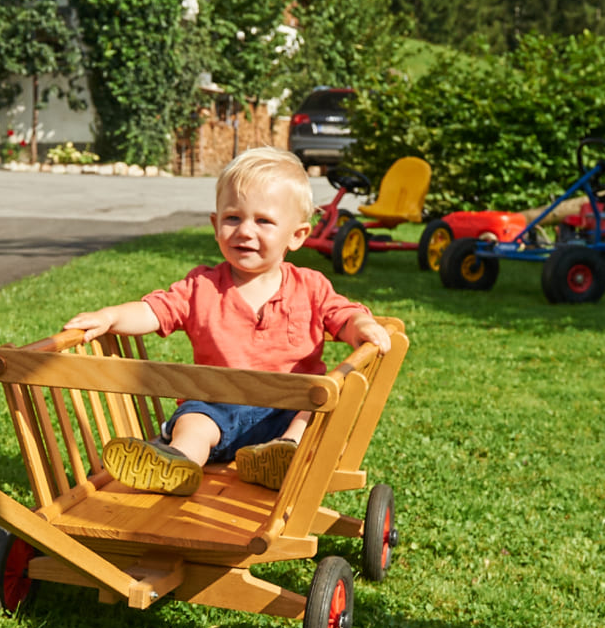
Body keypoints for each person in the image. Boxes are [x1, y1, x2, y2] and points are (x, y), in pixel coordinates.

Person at [63, 147, 391, 495]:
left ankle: (285, 457)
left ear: (296, 235)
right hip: (216, 406)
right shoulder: (201, 287)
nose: (245, 231)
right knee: (193, 421)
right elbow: (155, 309)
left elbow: (342, 315)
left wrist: (362, 325)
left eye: (263, 221)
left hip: (286, 410)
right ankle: (177, 461)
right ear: (215, 224)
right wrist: (111, 316)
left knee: (313, 412)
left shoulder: (310, 287)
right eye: (233, 218)